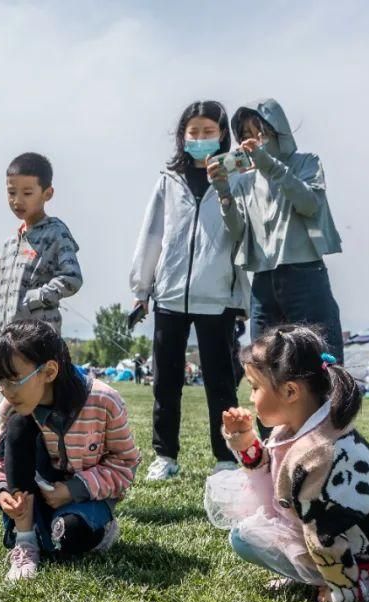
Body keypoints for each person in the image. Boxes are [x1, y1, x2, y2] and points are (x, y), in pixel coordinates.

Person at [207, 324, 369, 602]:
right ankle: (311, 574)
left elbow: (327, 532)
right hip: (338, 536)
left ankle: (348, 583)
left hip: (368, 553)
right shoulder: (296, 430)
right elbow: (272, 474)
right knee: (244, 536)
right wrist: (244, 441)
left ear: (290, 391)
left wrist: (343, 590)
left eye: (255, 388)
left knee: (246, 538)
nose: (251, 398)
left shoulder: (321, 454)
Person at [129, 100, 251, 480]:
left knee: (221, 383)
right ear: (182, 136)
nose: (199, 138)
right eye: (193, 131)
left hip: (217, 297)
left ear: (222, 135)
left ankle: (226, 458)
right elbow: (151, 235)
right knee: (166, 381)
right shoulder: (169, 180)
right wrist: (141, 287)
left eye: (208, 131)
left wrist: (242, 299)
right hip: (169, 295)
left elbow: (245, 237)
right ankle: (165, 456)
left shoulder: (238, 177)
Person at [0, 320, 140, 582]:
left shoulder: (103, 401)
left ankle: (98, 527)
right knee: (18, 425)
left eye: (13, 380)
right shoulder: (12, 407)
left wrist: (72, 490)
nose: (6, 392)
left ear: (50, 371)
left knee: (70, 536)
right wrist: (0, 493)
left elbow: (126, 464)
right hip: (38, 494)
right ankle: (25, 541)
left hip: (86, 497)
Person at [227, 99, 345, 365]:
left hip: (304, 273)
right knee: (264, 361)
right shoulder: (244, 181)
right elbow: (237, 231)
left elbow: (309, 204)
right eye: (245, 136)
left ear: (278, 129)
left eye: (260, 133)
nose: (253, 141)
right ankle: (272, 408)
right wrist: (224, 192)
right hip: (263, 281)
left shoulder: (306, 163)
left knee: (319, 358)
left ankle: (330, 408)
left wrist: (269, 165)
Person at [0, 153, 83, 337]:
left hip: (38, 339)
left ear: (47, 194)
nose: (17, 200)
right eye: (11, 192)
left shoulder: (55, 232)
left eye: (27, 193)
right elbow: (0, 298)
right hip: (9, 341)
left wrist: (35, 298)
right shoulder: (10, 245)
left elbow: (72, 277)